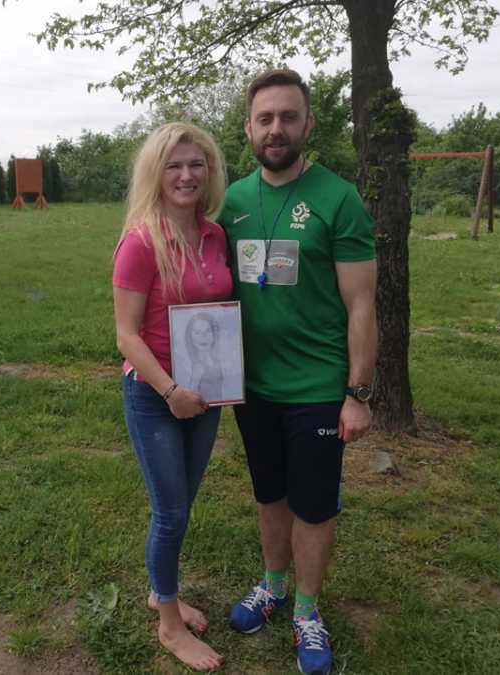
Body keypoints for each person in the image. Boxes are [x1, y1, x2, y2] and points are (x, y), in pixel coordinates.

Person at [219, 69, 377, 675]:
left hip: (316, 388)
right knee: (270, 493)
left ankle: (307, 610)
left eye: (288, 117)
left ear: (308, 124)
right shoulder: (233, 200)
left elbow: (362, 305)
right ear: (248, 128)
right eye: (265, 118)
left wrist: (357, 393)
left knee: (313, 505)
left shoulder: (338, 198)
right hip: (251, 386)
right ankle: (273, 585)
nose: (276, 128)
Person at [113, 122, 231, 672]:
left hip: (206, 394)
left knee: (182, 506)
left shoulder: (215, 235)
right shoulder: (141, 242)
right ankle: (168, 624)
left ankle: (163, 592)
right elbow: (126, 336)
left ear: (210, 172)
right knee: (170, 512)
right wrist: (170, 390)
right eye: (174, 166)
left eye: (196, 164)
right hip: (155, 395)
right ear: (155, 174)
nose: (186, 175)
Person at [184, 312, 223, 402]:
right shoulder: (195, 366)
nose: (203, 336)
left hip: (215, 405)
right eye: (197, 332)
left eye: (208, 331)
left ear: (214, 334)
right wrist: (195, 380)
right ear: (190, 336)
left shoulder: (218, 361)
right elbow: (190, 396)